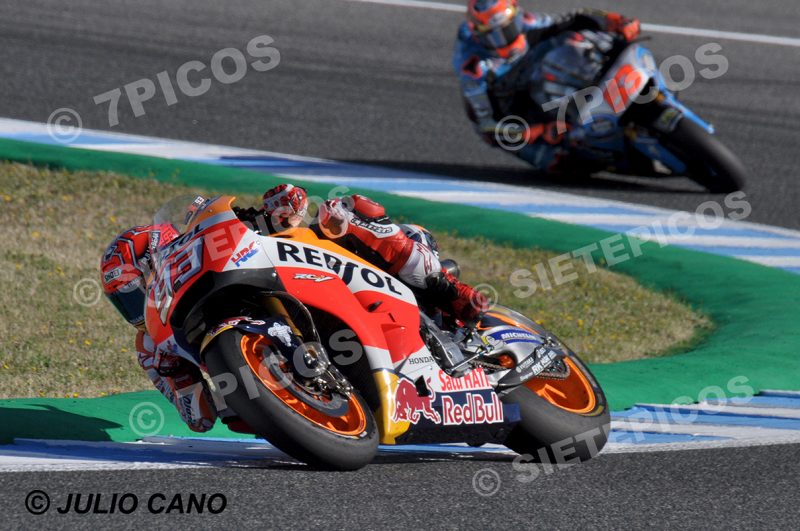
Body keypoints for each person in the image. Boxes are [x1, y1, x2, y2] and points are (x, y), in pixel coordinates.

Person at [101, 185, 488, 432]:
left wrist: (280, 208)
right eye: (126, 302)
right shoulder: (152, 347)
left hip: (317, 269)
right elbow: (197, 418)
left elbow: (287, 207)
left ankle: (450, 291)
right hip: (277, 388)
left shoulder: (210, 242)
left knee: (343, 211)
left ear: (158, 257)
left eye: (136, 290)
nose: (137, 306)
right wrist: (202, 388)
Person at [454, 0, 641, 174]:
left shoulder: (528, 22)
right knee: (561, 163)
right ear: (479, 35)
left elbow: (571, 19)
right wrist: (537, 130)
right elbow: (487, 125)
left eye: (508, 28)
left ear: (516, 16)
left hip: (527, 73)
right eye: (493, 36)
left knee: (573, 40)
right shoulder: (475, 69)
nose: (503, 38)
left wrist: (614, 21)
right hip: (509, 118)